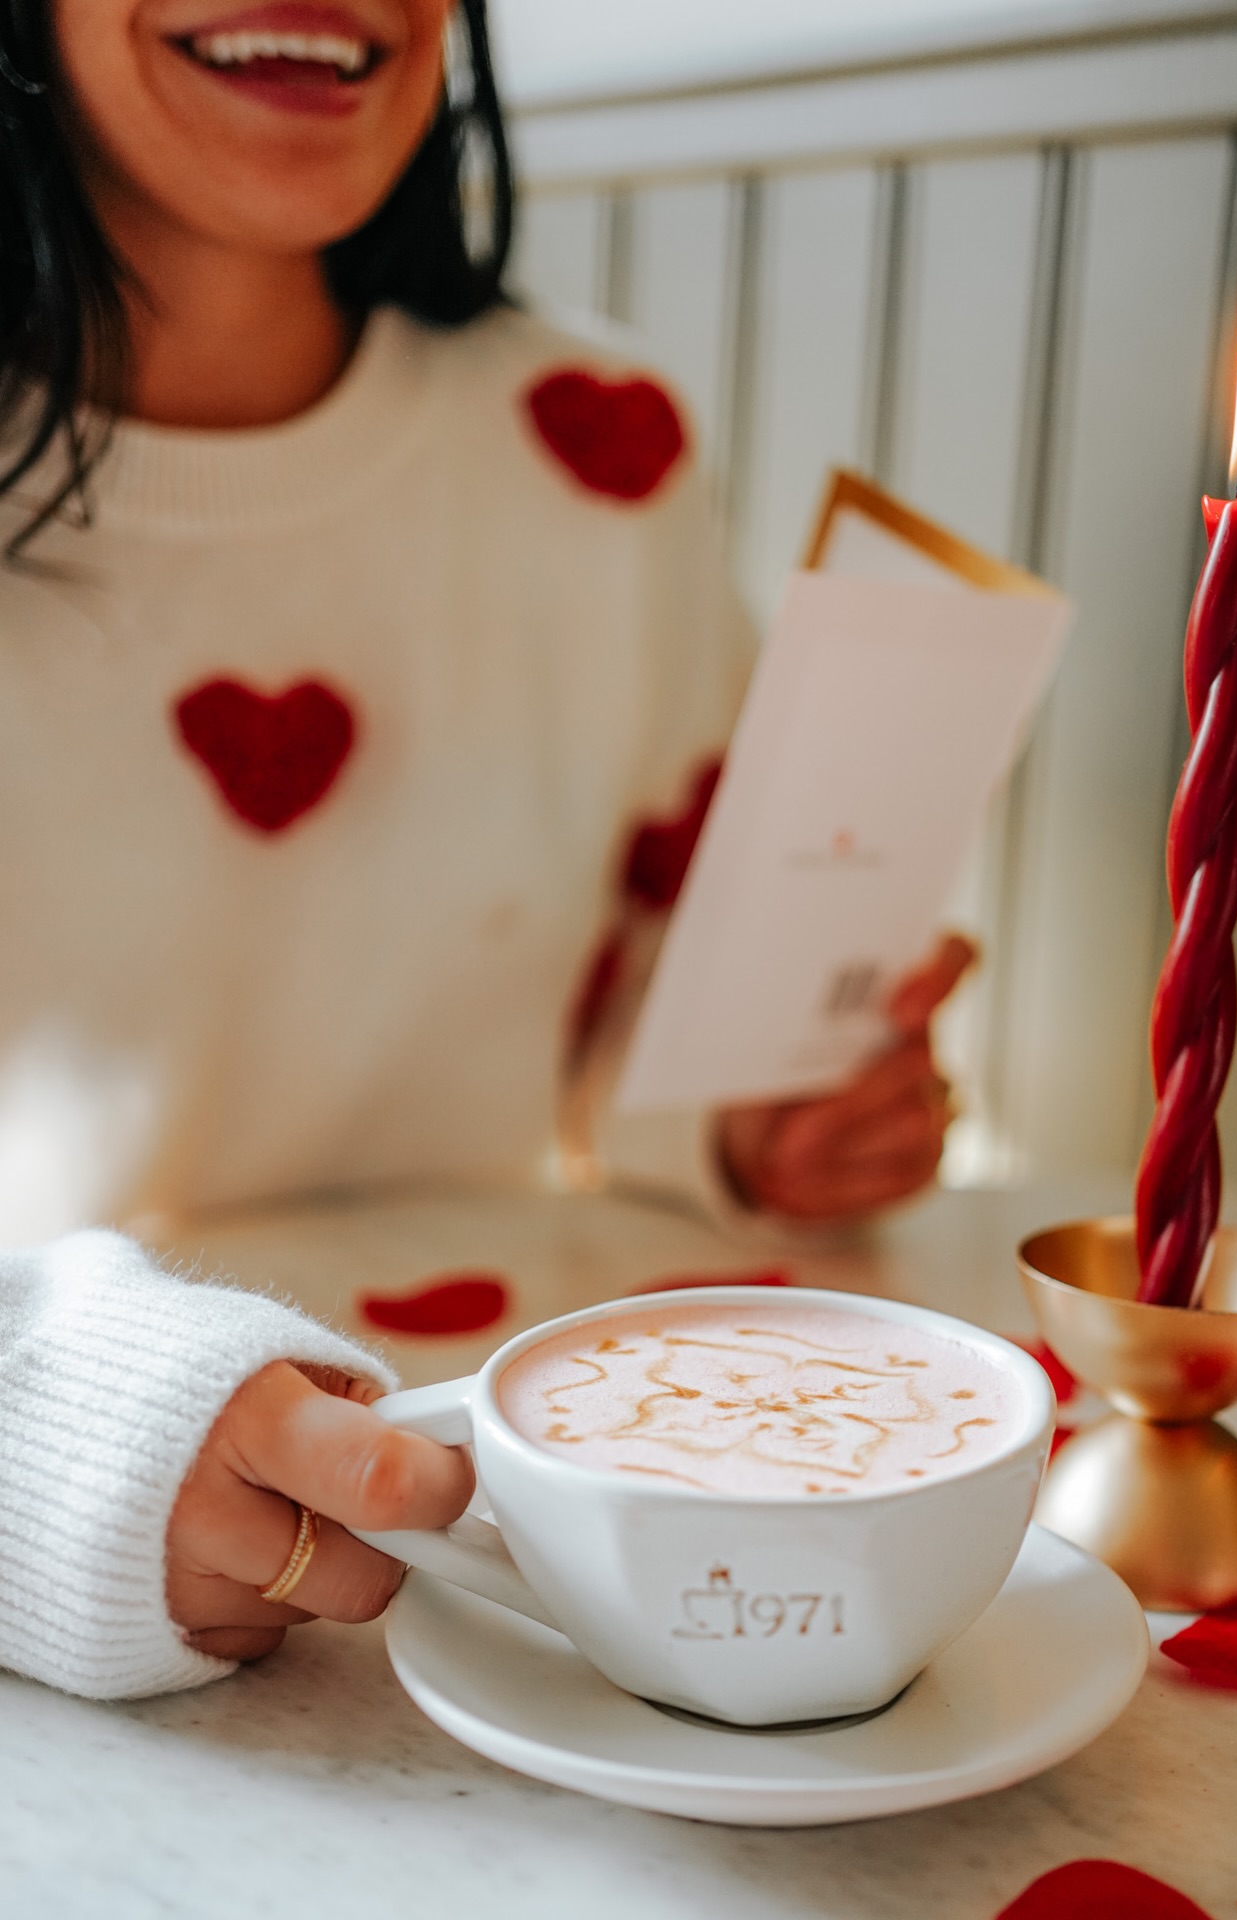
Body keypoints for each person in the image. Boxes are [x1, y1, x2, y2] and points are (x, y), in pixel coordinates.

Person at [0, 0, 971, 1700]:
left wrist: (762, 1120)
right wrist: (47, 1447)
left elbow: (655, 987)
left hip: (538, 1541)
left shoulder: (594, 445)